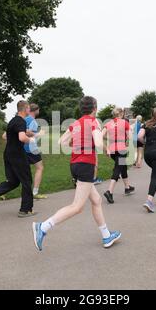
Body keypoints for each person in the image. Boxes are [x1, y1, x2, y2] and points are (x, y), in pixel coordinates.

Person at [32, 96, 121, 251]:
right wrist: (105, 147)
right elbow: (99, 144)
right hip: (86, 165)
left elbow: (62, 143)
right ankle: (43, 227)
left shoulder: (76, 123)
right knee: (77, 206)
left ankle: (106, 235)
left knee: (97, 200)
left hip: (75, 164)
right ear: (95, 108)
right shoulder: (93, 122)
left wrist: (79, 142)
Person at [0, 101, 37, 218]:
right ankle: (25, 210)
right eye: (29, 108)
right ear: (26, 109)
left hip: (8, 154)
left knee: (13, 181)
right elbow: (22, 137)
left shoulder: (12, 121)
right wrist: (30, 140)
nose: (29, 110)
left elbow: (4, 136)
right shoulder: (21, 121)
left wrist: (29, 133)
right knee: (26, 181)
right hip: (17, 155)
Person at [102, 107, 135, 204]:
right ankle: (109, 191)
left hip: (112, 149)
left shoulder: (108, 123)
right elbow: (130, 136)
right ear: (121, 114)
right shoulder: (125, 122)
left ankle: (127, 187)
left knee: (122, 167)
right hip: (121, 149)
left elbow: (101, 135)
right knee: (118, 168)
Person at [24, 104, 48, 200]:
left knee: (20, 172)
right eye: (39, 110)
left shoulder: (25, 119)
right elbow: (27, 132)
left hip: (22, 148)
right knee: (40, 168)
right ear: (36, 110)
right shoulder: (32, 120)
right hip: (31, 148)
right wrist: (39, 134)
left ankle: (0, 191)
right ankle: (35, 192)